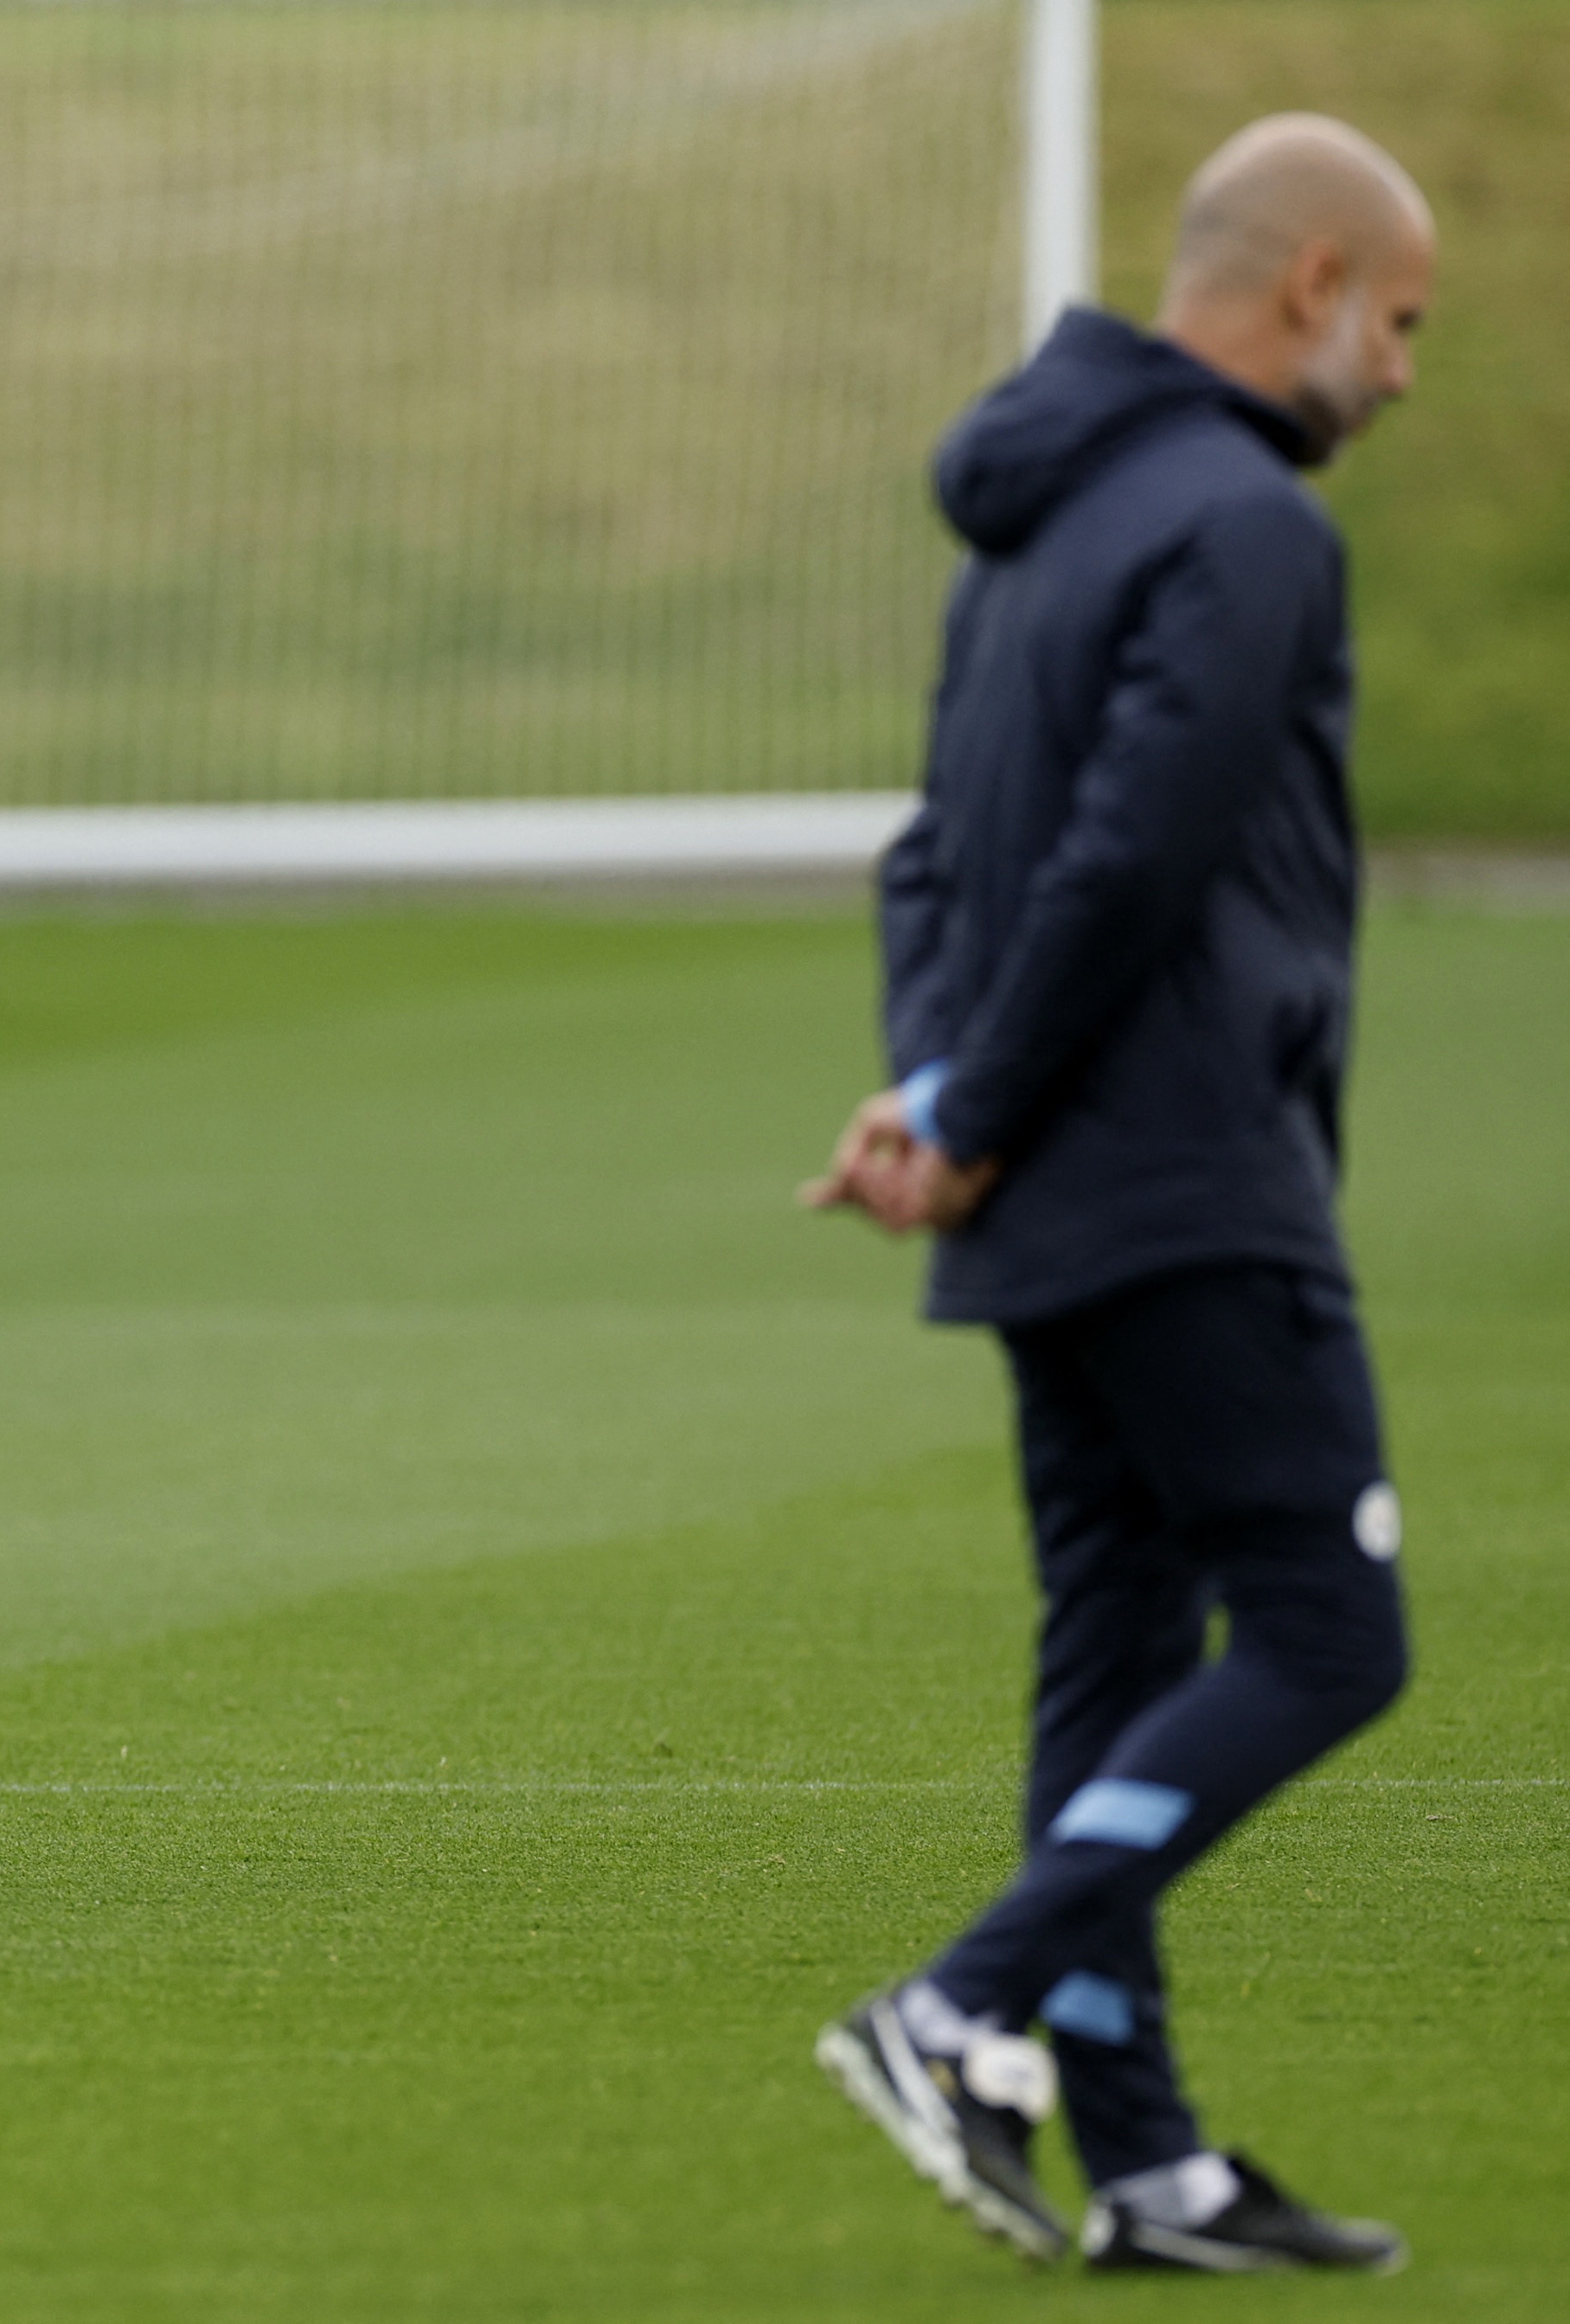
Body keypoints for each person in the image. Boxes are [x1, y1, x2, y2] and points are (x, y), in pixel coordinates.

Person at [801, 115, 1434, 2273]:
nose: (1400, 373)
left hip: (1051, 1192)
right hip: (1184, 1175)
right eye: (1399, 322)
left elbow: (936, 856)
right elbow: (1129, 857)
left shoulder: (1036, 526)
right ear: (1310, 282)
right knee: (1330, 1627)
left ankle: (1146, 2162)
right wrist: (972, 1103)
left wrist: (936, 1094)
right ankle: (955, 2005)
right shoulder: (1243, 522)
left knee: (1116, 1655)